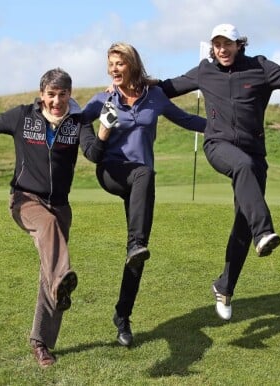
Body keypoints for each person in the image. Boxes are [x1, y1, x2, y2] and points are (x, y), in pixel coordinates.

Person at [0, 68, 107, 368]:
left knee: (53, 273)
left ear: (70, 95)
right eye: (51, 95)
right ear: (42, 94)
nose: (57, 101)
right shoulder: (23, 116)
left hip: (59, 204)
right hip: (25, 200)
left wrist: (105, 130)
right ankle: (62, 280)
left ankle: (41, 342)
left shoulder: (79, 121)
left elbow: (93, 153)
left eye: (63, 94)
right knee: (50, 235)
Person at [157, 24, 280, 321]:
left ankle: (224, 286)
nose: (222, 49)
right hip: (219, 146)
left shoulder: (260, 67)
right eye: (217, 44)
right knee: (241, 167)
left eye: (227, 43)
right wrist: (133, 83)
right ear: (212, 47)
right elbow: (167, 87)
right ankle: (265, 231)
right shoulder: (204, 71)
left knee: (242, 222)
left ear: (239, 44)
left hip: (255, 154)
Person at [81, 42, 206, 346]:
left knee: (137, 256)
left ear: (132, 65)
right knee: (143, 176)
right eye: (110, 64)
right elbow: (79, 124)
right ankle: (136, 243)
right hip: (112, 171)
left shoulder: (156, 97)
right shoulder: (102, 100)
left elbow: (188, 120)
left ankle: (122, 317)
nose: (114, 69)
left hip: (141, 182)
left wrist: (227, 129)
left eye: (119, 63)